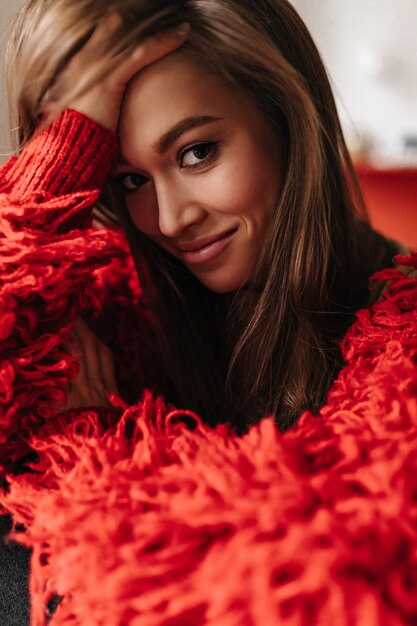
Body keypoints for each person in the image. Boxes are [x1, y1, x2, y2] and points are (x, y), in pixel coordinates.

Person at [0, 0, 411, 623]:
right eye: (130, 181)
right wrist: (61, 155)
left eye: (197, 153)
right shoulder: (119, 293)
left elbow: (302, 593)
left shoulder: (403, 328)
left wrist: (88, 439)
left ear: (285, 120)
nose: (170, 220)